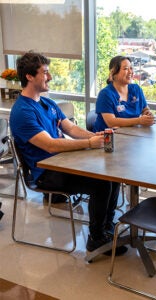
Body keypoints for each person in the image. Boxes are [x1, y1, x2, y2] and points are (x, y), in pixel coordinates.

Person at [9, 51, 127, 255]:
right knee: (101, 183)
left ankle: (107, 228)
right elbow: (50, 146)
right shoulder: (22, 112)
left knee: (112, 175)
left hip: (64, 162)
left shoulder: (48, 103)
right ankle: (96, 238)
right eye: (45, 72)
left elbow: (70, 129)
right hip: (46, 173)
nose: (50, 77)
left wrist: (95, 136)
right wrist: (90, 143)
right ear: (29, 76)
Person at [93, 55, 156, 132]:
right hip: (107, 139)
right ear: (113, 73)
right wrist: (139, 121)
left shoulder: (136, 89)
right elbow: (111, 122)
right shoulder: (105, 94)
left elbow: (145, 109)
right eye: (126, 69)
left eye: (131, 68)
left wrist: (148, 115)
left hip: (131, 135)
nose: (130, 72)